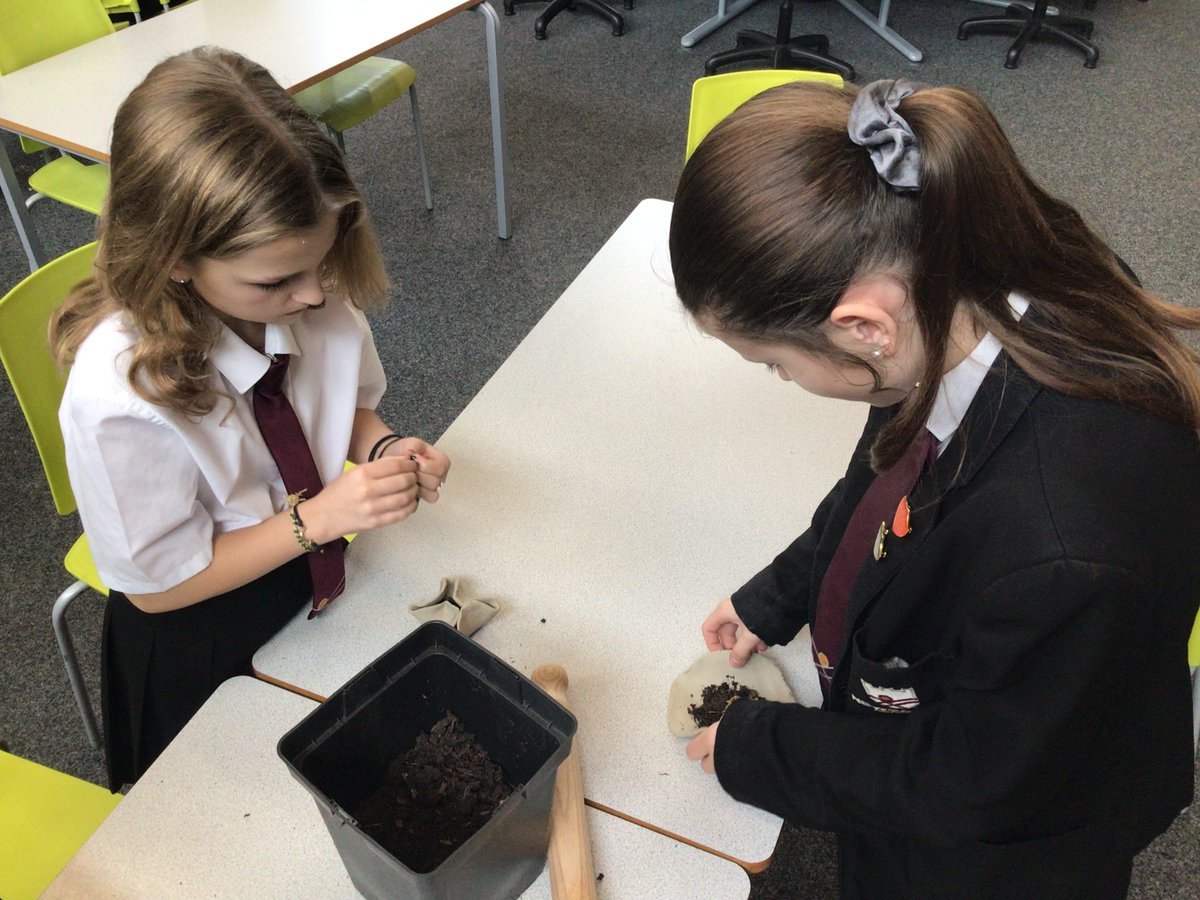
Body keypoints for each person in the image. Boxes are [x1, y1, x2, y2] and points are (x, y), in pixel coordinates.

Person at [672, 78, 1200, 898]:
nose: (780, 378)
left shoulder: (1058, 549)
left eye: (775, 363)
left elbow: (969, 780)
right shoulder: (951, 301)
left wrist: (761, 749)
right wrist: (780, 592)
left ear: (862, 328)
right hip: (1005, 696)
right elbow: (881, 480)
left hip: (1003, 849)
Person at [51, 46, 450, 792]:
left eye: (321, 262)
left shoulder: (308, 285)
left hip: (313, 575)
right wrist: (318, 519)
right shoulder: (118, 396)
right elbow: (158, 588)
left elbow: (339, 407)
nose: (312, 295)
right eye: (277, 281)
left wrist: (385, 442)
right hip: (202, 626)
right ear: (176, 260)